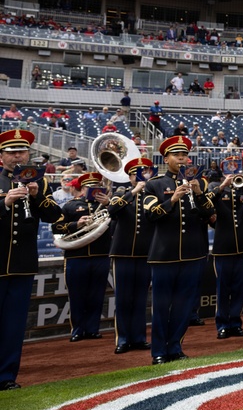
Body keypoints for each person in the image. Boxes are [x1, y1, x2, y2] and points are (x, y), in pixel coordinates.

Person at [144, 135, 214, 365]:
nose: (182, 159)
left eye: (185, 155)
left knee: (184, 307)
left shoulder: (198, 183)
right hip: (164, 255)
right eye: (177, 155)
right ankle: (159, 351)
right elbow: (150, 215)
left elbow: (210, 214)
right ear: (166, 158)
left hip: (193, 254)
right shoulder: (154, 184)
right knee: (162, 306)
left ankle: (175, 346)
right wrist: (172, 199)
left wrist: (199, 194)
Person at [0, 128, 61, 390]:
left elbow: (54, 217)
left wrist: (37, 196)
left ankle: (6, 376)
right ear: (1, 156)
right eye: (11, 152)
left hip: (23, 264)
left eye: (21, 151)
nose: (17, 157)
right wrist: (3, 203)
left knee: (14, 326)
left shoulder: (41, 182)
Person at [53, 171, 112, 343]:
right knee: (77, 296)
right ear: (83, 188)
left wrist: (109, 205)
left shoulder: (108, 206)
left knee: (97, 294)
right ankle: (77, 330)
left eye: (98, 187)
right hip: (76, 257)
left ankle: (93, 329)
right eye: (90, 187)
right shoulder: (71, 206)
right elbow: (56, 227)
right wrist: (76, 224)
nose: (95, 190)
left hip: (100, 254)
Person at [107, 158, 155, 353]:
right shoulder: (121, 193)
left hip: (145, 254)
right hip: (123, 253)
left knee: (141, 298)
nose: (141, 176)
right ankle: (123, 338)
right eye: (137, 173)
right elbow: (113, 209)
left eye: (145, 172)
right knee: (123, 298)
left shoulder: (153, 195)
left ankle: (138, 337)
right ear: (130, 177)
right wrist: (133, 192)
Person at [205, 161, 243, 340]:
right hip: (223, 248)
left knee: (239, 288)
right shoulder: (218, 190)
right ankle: (222, 324)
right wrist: (223, 185)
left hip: (242, 247)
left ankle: (235, 322)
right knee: (223, 289)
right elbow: (208, 200)